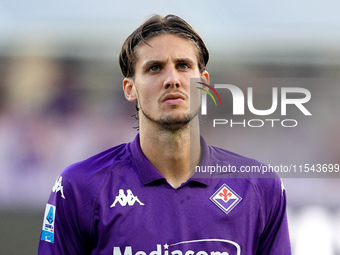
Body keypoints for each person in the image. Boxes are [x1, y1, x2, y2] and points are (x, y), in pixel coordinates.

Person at [38, 14, 291, 254]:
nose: (172, 79)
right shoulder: (80, 187)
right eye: (155, 68)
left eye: (183, 66)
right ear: (130, 89)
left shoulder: (259, 186)